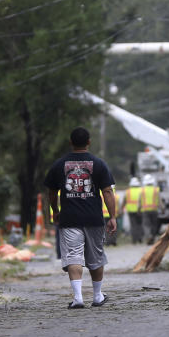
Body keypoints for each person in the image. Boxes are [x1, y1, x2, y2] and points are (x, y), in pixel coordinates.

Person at [44, 127, 116, 309]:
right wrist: (113, 216)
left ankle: (78, 298)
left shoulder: (59, 164)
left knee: (73, 257)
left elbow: (52, 192)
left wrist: (55, 210)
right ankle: (98, 296)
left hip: (69, 219)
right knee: (96, 257)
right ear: (89, 142)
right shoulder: (99, 164)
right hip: (94, 218)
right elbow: (107, 191)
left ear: (71, 142)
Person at [140, 174, 161, 244]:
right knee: (154, 224)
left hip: (145, 210)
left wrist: (138, 209)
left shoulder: (142, 190)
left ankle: (149, 236)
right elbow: (159, 201)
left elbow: (139, 201)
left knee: (146, 225)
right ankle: (152, 237)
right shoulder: (156, 190)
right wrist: (163, 208)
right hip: (154, 210)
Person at [123, 177, 143, 244]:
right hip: (139, 210)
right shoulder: (141, 190)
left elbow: (124, 201)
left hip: (130, 211)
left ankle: (134, 240)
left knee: (133, 225)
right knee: (139, 224)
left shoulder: (127, 191)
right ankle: (140, 238)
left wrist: (121, 209)